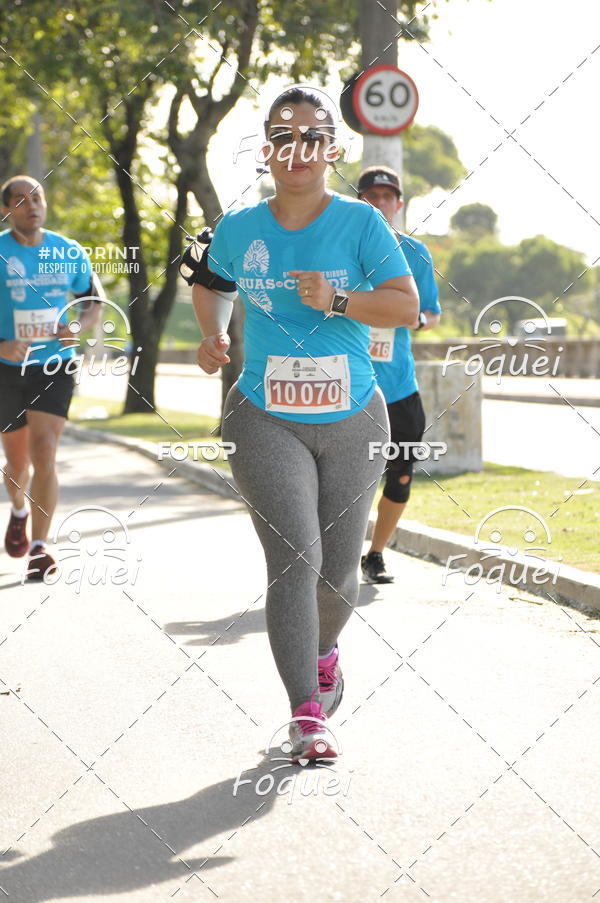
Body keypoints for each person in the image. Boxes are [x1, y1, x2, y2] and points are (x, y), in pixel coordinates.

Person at [185, 88, 418, 762]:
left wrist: (340, 298)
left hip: (353, 418)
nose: (298, 148)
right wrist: (211, 333)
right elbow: (208, 282)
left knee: (338, 576)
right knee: (296, 559)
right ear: (268, 149)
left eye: (312, 136)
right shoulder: (239, 227)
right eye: (283, 135)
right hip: (264, 416)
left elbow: (404, 308)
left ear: (330, 150)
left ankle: (322, 650)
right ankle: (306, 714)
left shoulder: (360, 224)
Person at [0, 175, 103, 580]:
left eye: (37, 197)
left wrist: (78, 327)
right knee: (16, 461)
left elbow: (92, 301)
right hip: (7, 370)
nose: (31, 205)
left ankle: (41, 548)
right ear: (7, 210)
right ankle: (20, 510)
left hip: (55, 364)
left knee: (44, 450)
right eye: (20, 200)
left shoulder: (67, 251)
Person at [357, 166, 441, 584]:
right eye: (370, 195)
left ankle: (374, 555)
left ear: (399, 203)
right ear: (359, 201)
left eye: (386, 196)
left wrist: (415, 320)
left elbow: (431, 312)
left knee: (401, 474)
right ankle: (329, 557)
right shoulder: (342, 248)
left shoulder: (415, 252)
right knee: (346, 477)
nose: (379, 202)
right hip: (349, 385)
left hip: (399, 387)